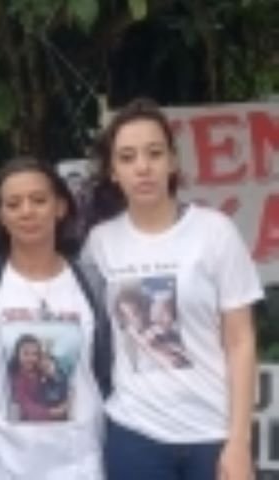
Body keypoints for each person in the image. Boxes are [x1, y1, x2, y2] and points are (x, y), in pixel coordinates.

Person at [82, 98, 263, 480]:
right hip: (135, 434)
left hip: (212, 433)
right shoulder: (100, 243)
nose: (143, 167)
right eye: (127, 157)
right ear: (113, 171)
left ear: (173, 161)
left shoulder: (215, 232)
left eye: (154, 153)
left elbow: (240, 340)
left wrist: (238, 441)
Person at [0, 156, 111, 480]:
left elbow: (106, 371)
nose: (27, 211)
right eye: (13, 203)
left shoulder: (91, 282)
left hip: (80, 465)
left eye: (38, 200)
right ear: (0, 215)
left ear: (60, 207)